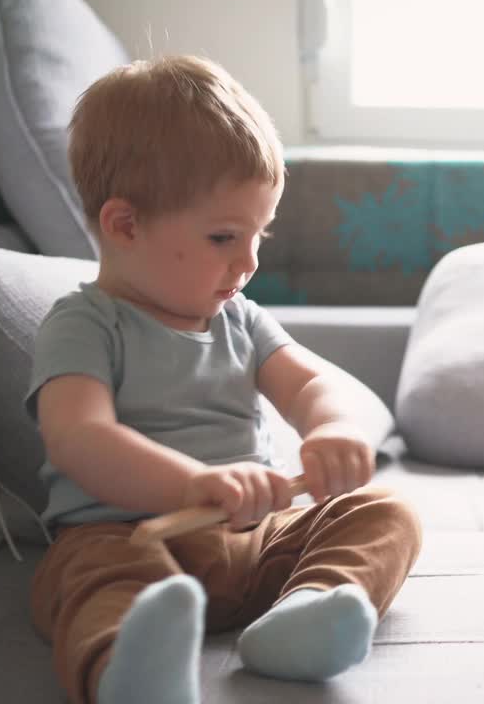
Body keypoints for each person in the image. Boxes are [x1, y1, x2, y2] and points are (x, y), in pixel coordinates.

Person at [26, 55, 422, 704]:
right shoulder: (85, 323)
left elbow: (312, 383)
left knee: (385, 513)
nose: (249, 260)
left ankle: (305, 617)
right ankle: (130, 673)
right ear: (125, 225)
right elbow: (78, 437)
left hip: (249, 541)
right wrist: (194, 482)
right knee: (92, 578)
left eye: (260, 234)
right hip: (125, 535)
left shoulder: (239, 319)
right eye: (223, 236)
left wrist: (334, 427)